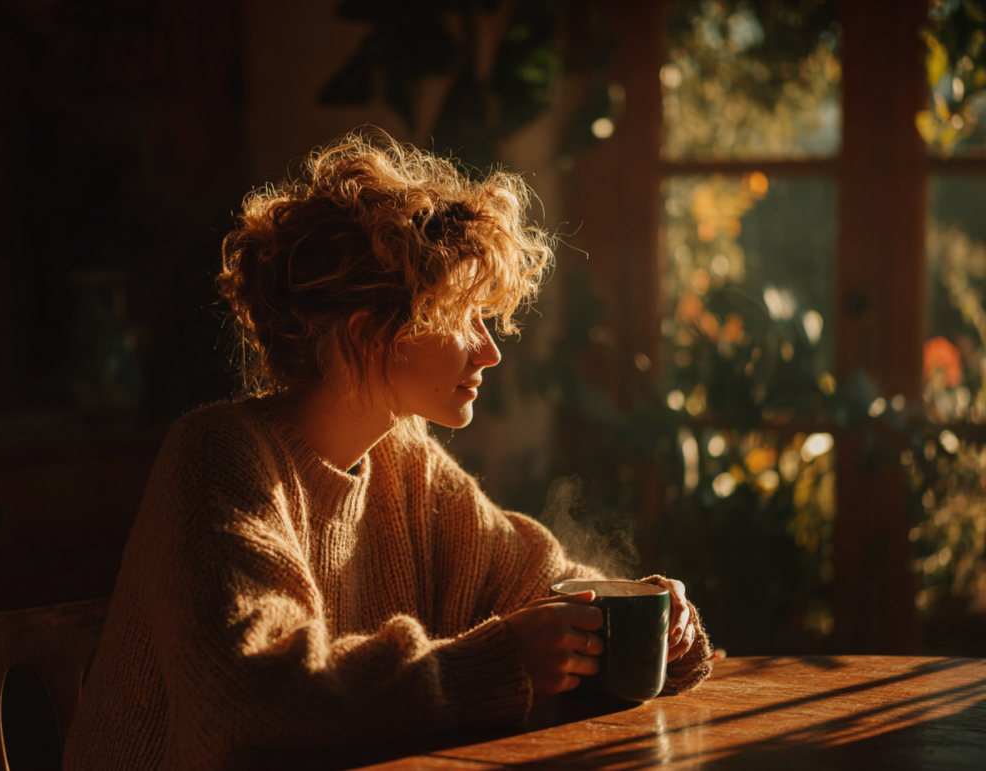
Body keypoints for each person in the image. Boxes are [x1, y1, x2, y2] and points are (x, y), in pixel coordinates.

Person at [63, 131, 712, 771]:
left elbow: (538, 586)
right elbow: (250, 694)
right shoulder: (215, 456)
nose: (490, 350)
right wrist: (497, 662)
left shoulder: (406, 462)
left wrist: (656, 623)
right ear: (369, 333)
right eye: (463, 316)